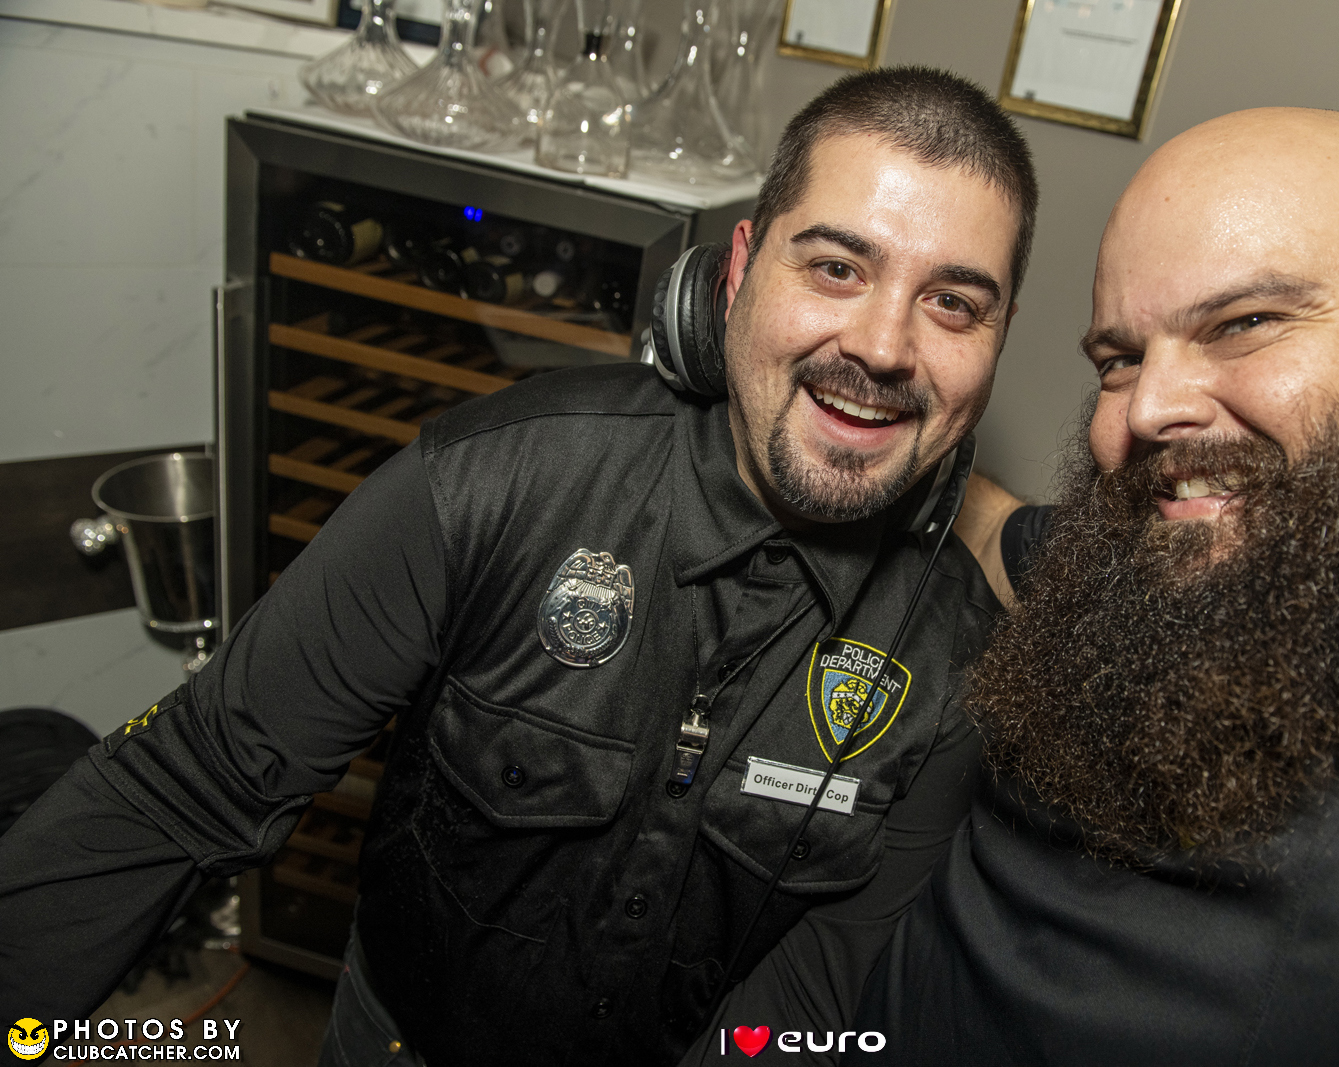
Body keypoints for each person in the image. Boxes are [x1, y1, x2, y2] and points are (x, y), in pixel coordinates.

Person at [0, 67, 1039, 1067]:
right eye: (836, 267)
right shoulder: (495, 479)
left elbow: (816, 999)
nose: (884, 346)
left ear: (996, 347)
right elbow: (191, 779)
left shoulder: (962, 672)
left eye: (953, 302)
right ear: (736, 272)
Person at [840, 106, 1339, 1065]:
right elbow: (995, 527)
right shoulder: (1178, 553)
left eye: (1244, 324)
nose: (1149, 410)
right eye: (1121, 361)